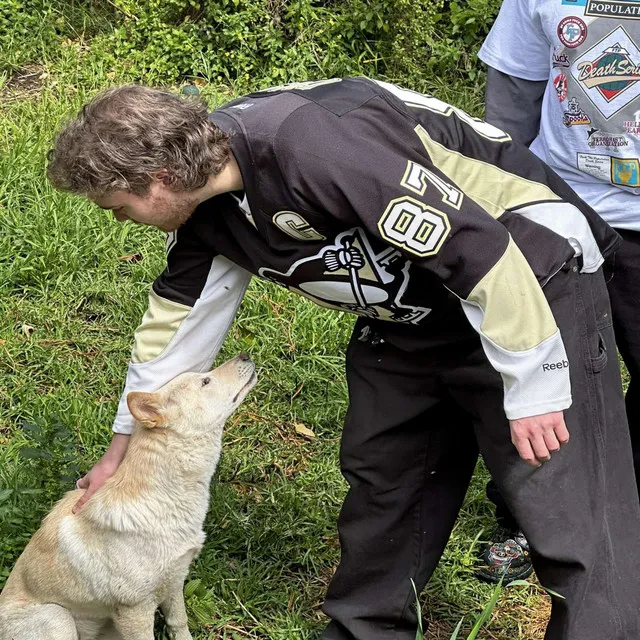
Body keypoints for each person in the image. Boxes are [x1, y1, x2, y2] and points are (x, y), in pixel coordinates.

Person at [46, 78, 640, 640]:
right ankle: (364, 632)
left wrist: (533, 389)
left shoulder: (315, 147)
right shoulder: (207, 212)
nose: (117, 219)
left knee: (567, 505)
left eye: (117, 205)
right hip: (413, 315)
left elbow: (475, 247)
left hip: (529, 279)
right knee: (385, 480)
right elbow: (176, 326)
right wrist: (122, 447)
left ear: (159, 176)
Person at [477, 0, 640, 586]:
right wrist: (507, 199)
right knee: (547, 372)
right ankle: (533, 523)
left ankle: (628, 509)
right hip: (559, 213)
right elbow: (512, 96)